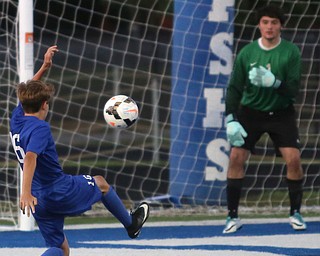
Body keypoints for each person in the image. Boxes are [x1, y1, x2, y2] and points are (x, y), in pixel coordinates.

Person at [10, 45, 150, 256]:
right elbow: (30, 158)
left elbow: (27, 94)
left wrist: (45, 67)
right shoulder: (40, 128)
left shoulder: (16, 119)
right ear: (45, 105)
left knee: (60, 249)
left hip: (40, 200)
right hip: (58, 190)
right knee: (101, 183)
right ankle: (131, 224)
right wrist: (25, 192)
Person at [223, 5, 306, 234]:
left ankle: (295, 212)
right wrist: (231, 118)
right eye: (265, 22)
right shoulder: (247, 53)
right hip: (251, 112)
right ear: (259, 25)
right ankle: (232, 216)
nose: (270, 27)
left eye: (274, 23)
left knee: (294, 160)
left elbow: (293, 91)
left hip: (281, 113)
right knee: (236, 157)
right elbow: (234, 89)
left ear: (281, 26)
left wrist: (274, 82)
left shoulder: (291, 52)